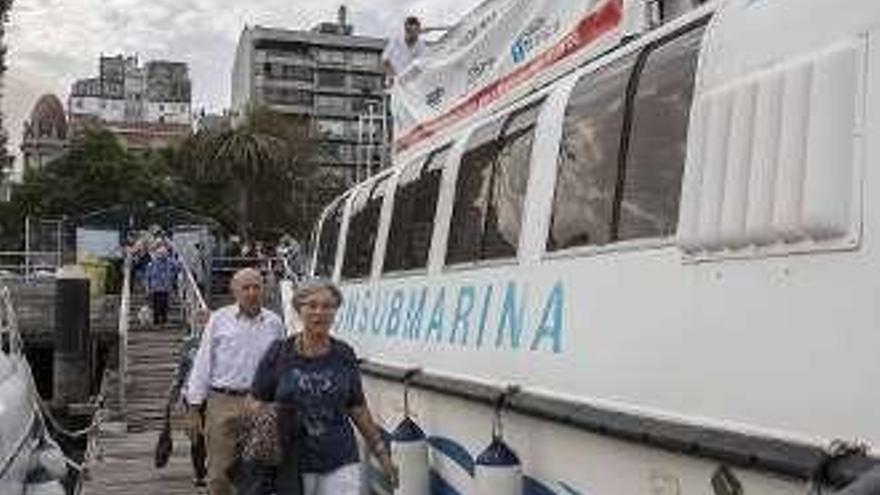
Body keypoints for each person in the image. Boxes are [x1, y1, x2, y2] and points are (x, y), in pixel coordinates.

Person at [251, 279, 399, 495]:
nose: (319, 312)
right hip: (292, 463)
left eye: (328, 306)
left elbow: (357, 407)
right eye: (311, 305)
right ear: (298, 309)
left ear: (335, 310)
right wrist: (275, 416)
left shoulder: (344, 353)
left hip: (340, 458)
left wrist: (382, 454)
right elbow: (255, 401)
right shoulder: (279, 353)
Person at [186, 268, 287, 495]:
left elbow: (280, 366)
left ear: (264, 289)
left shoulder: (275, 323)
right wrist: (194, 408)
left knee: (256, 473)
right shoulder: (219, 319)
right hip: (223, 401)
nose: (252, 293)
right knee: (219, 474)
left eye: (256, 287)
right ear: (234, 291)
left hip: (262, 404)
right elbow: (203, 363)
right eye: (245, 288)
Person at [382, 16, 426, 86]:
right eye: (409, 31)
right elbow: (385, 60)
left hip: (411, 84)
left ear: (418, 31)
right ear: (406, 30)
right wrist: (392, 75)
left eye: (415, 31)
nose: (412, 35)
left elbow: (421, 65)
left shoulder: (421, 45)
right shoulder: (396, 39)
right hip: (393, 82)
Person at [145, 244, 179, 326]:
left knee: (164, 305)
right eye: (160, 254)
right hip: (156, 288)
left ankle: (163, 320)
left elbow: (178, 268)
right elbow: (147, 277)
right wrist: (147, 288)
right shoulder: (151, 264)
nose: (162, 256)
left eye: (163, 254)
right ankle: (156, 320)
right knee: (156, 305)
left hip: (165, 288)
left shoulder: (169, 262)